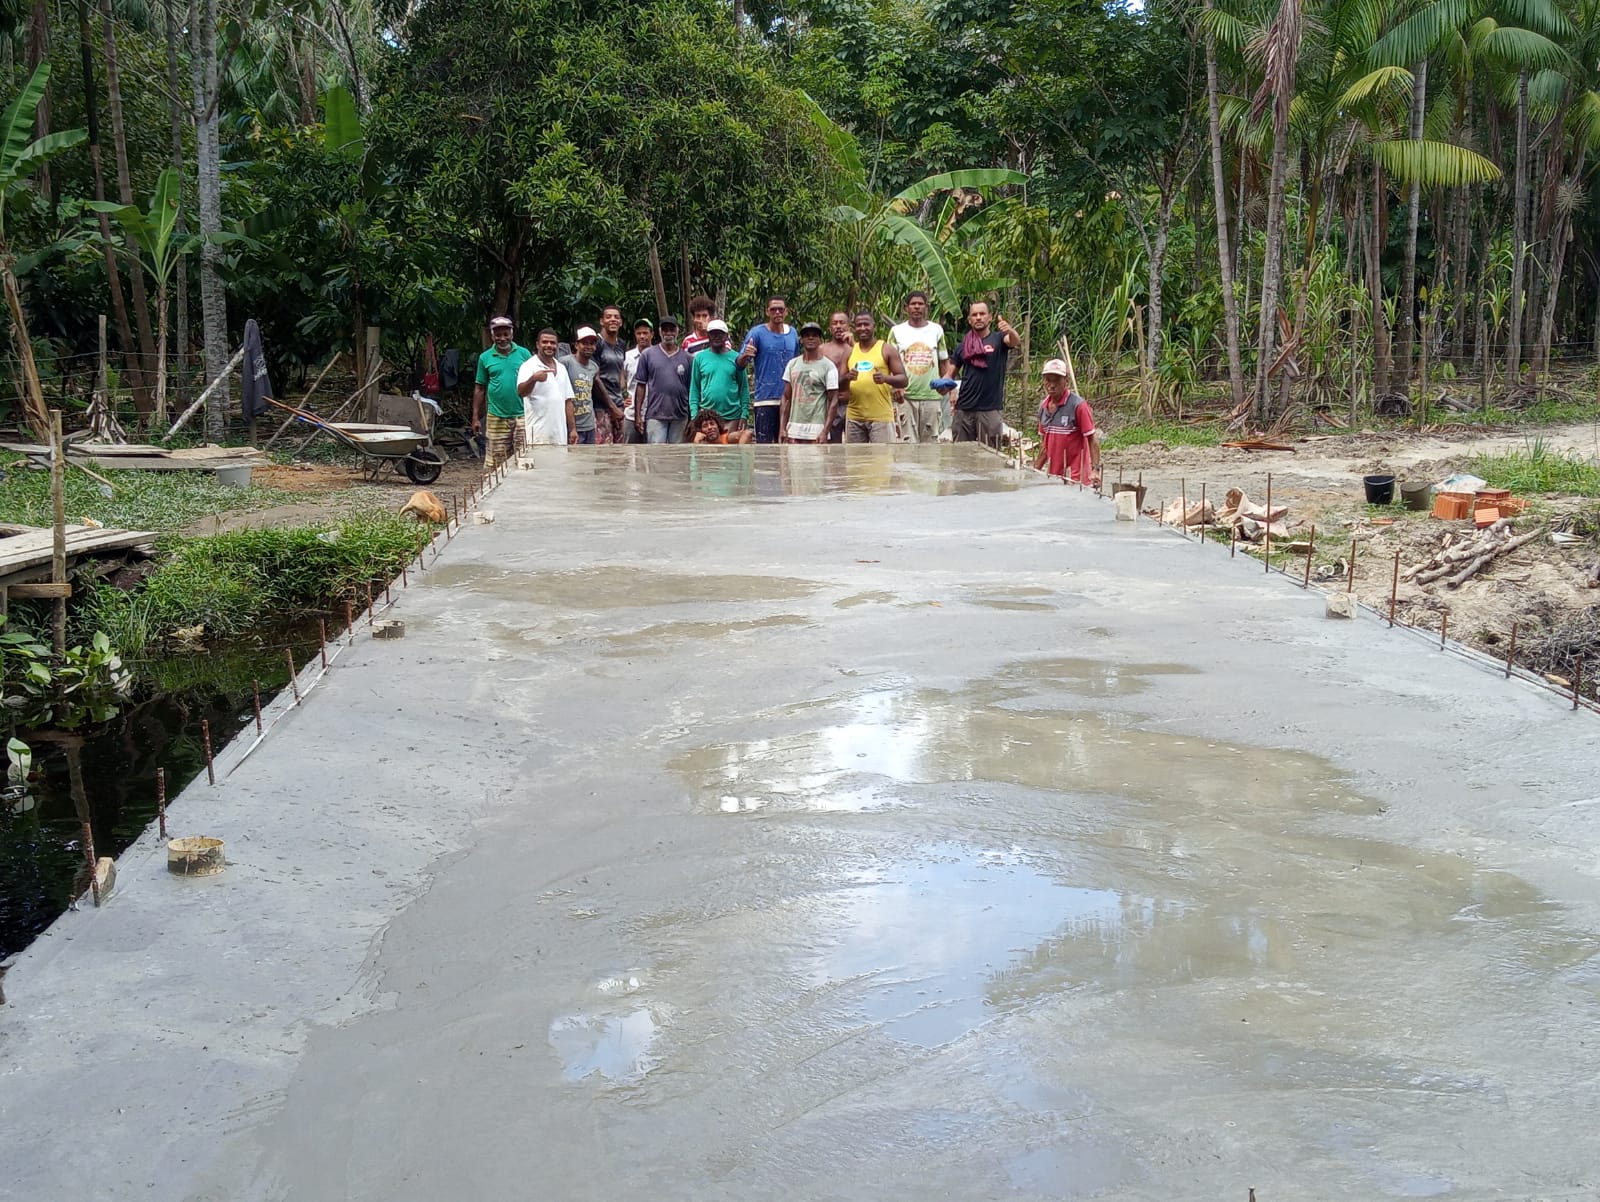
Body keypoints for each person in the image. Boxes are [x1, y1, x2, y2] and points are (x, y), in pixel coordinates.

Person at [947, 300, 1018, 447]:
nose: (978, 317)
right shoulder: (963, 346)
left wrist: (1010, 330)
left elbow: (1014, 341)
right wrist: (943, 385)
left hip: (989, 410)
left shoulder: (999, 340)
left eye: (982, 314)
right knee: (961, 457)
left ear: (990, 317)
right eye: (974, 315)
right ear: (969, 320)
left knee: (990, 457)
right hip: (964, 410)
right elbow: (949, 374)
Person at [889, 290, 951, 442]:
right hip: (906, 396)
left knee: (930, 442)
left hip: (931, 395)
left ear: (926, 307)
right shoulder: (896, 331)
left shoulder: (936, 330)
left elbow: (944, 361)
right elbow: (890, 363)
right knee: (907, 442)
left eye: (920, 304)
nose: (917, 307)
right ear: (906, 308)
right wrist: (895, 387)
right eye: (913, 304)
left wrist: (949, 387)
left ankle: (930, 467)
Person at [471, 315, 532, 469]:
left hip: (522, 415)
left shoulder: (524, 354)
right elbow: (479, 388)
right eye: (498, 335)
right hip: (496, 416)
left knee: (524, 459)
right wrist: (475, 417)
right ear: (492, 336)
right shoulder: (485, 358)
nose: (502, 338)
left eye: (506, 334)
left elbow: (533, 383)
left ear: (512, 334)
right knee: (494, 463)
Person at [738, 295, 798, 444]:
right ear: (767, 312)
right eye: (773, 309)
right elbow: (739, 365)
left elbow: (797, 364)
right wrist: (746, 355)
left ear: (786, 312)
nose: (777, 312)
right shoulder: (756, 333)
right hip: (765, 400)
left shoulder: (793, 334)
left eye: (780, 309)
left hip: (789, 400)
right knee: (765, 451)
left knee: (788, 448)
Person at [840, 311, 907, 444]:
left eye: (866, 324)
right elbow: (838, 383)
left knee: (882, 460)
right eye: (859, 325)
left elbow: (903, 380)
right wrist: (848, 377)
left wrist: (885, 379)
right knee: (855, 462)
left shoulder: (886, 349)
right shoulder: (849, 351)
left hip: (880, 418)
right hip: (854, 417)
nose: (863, 328)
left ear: (874, 326)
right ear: (854, 328)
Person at [1033, 360, 1102, 484]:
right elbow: (1045, 444)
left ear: (1066, 381)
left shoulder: (1078, 406)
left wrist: (1095, 470)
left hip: (1076, 476)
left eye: (1057, 380)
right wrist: (1034, 470)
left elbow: (1092, 439)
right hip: (1055, 476)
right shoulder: (1043, 407)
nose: (1052, 385)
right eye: (1048, 380)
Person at [632, 315, 691, 444]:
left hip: (680, 415)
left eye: (671, 329)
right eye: (665, 330)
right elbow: (641, 386)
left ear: (677, 331)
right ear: (659, 331)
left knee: (677, 457)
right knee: (656, 457)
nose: (668, 333)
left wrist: (691, 417)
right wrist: (638, 415)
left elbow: (691, 389)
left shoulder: (687, 358)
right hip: (655, 414)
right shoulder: (648, 355)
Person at [558, 327, 621, 446]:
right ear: (577, 345)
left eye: (592, 343)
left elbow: (596, 389)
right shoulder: (565, 362)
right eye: (584, 343)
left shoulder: (594, 367)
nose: (588, 347)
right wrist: (572, 428)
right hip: (571, 425)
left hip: (589, 423)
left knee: (589, 459)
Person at [780, 320, 838, 443]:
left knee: (817, 462)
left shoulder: (828, 366)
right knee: (793, 462)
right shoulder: (792, 364)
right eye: (807, 335)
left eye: (814, 335)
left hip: (816, 429)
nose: (810, 338)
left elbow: (833, 400)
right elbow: (786, 397)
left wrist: (825, 432)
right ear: (801, 340)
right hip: (794, 428)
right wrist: (782, 428)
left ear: (820, 340)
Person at [518, 328, 576, 445]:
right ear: (538, 345)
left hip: (559, 434)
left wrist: (573, 429)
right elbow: (521, 392)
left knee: (560, 463)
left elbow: (567, 401)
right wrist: (533, 379)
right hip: (538, 435)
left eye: (553, 343)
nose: (549, 345)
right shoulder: (529, 366)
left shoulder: (561, 368)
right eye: (545, 342)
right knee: (540, 463)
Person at [689, 319, 751, 428]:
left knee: (730, 443)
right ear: (708, 336)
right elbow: (695, 388)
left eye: (720, 334)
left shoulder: (736, 358)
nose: (716, 337)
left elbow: (743, 388)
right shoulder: (699, 358)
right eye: (713, 334)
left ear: (727, 336)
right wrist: (694, 415)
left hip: (732, 416)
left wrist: (744, 415)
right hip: (708, 417)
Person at [594, 305, 629, 444]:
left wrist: (624, 396)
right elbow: (595, 378)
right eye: (608, 317)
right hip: (601, 405)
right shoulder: (597, 343)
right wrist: (611, 407)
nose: (613, 320)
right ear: (602, 321)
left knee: (620, 451)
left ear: (620, 322)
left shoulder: (621, 344)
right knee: (604, 450)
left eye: (616, 317)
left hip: (618, 404)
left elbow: (620, 371)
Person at [820, 310, 854, 444]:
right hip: (829, 405)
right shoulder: (822, 350)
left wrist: (853, 343)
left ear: (849, 327)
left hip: (851, 404)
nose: (838, 326)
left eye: (842, 323)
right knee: (833, 445)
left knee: (854, 446)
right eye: (835, 323)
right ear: (830, 328)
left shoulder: (856, 349)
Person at [622, 318, 654, 442]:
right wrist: (623, 396)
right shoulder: (627, 356)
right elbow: (621, 377)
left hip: (653, 414)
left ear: (652, 334)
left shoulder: (658, 356)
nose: (642, 336)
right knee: (630, 454)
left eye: (645, 333)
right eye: (639, 333)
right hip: (631, 413)